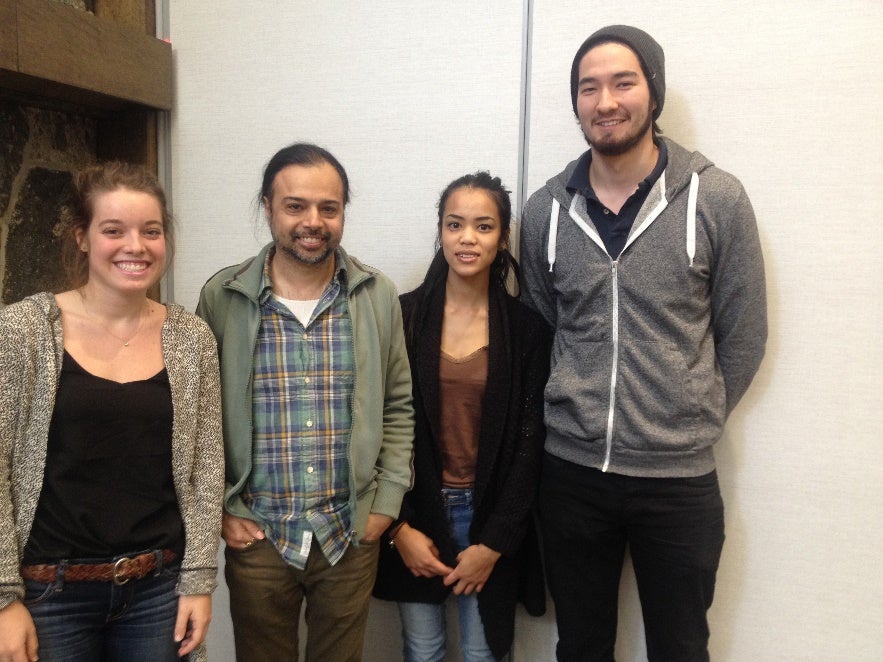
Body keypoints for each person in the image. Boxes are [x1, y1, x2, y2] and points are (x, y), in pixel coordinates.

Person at [519, 25, 767, 661]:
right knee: (580, 645)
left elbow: (744, 333)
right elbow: (540, 332)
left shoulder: (716, 199)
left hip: (677, 482)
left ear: (652, 93)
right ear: (576, 103)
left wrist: (690, 413)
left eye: (622, 82)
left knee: (682, 647)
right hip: (571, 475)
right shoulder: (546, 212)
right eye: (588, 87)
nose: (605, 101)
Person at [196, 142, 414, 662]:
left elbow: (399, 405)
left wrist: (385, 504)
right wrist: (221, 509)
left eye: (328, 208)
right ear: (268, 207)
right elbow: (196, 418)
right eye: (295, 206)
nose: (312, 221)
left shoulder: (375, 294)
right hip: (260, 538)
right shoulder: (222, 297)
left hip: (347, 533)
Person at [0, 162, 224, 662]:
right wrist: (2, 599)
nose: (136, 246)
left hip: (157, 592)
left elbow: (206, 473)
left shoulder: (192, 340)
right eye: (113, 230)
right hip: (47, 596)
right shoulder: (22, 332)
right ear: (81, 237)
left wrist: (199, 582)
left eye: (151, 231)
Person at [373, 172, 550, 661]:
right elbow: (377, 427)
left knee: (483, 653)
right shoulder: (402, 317)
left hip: (489, 513)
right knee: (422, 649)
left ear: (503, 237)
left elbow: (531, 442)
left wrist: (494, 542)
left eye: (483, 226)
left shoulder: (526, 330)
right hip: (415, 508)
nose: (467, 238)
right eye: (455, 225)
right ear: (440, 232)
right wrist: (398, 528)